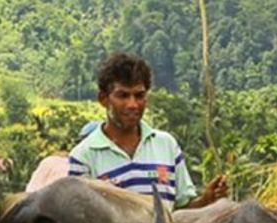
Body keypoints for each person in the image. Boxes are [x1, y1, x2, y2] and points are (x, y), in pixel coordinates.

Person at [68, 52, 228, 209]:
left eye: (139, 95)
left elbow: (181, 211)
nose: (132, 104)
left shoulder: (166, 145)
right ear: (103, 99)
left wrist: (206, 200)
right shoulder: (84, 157)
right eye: (123, 96)